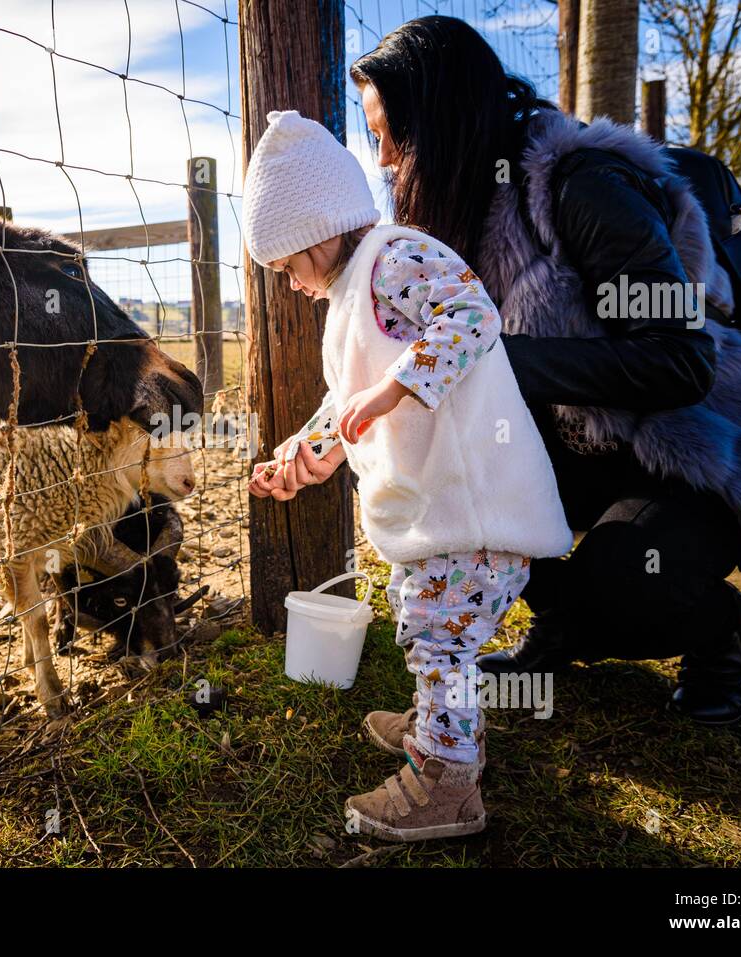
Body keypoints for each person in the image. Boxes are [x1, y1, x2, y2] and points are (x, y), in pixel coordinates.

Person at [265, 15, 741, 731]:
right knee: (471, 513)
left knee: (623, 583)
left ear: (445, 120)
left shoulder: (584, 185)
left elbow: (681, 361)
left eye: (394, 134)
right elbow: (413, 368)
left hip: (694, 450)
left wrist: (488, 357)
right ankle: (564, 622)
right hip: (581, 442)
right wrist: (326, 440)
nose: (384, 159)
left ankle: (715, 629)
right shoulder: (456, 216)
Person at [244, 110, 572, 841]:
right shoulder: (350, 292)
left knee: (437, 635)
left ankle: (447, 784)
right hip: (444, 515)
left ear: (318, 227)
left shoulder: (395, 257)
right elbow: (346, 398)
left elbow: (472, 313)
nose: (289, 285)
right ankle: (440, 724)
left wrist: (395, 387)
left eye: (285, 265)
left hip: (477, 508)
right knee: (428, 625)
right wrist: (307, 453)